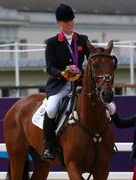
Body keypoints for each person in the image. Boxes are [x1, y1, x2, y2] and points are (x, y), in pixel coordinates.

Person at [42, 3, 90, 160]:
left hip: (80, 84)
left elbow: (93, 58)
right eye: (66, 21)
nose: (70, 23)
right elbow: (49, 68)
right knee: (51, 108)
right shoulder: (52, 43)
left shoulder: (82, 40)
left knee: (108, 105)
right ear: (59, 23)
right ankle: (48, 145)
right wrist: (63, 73)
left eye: (71, 20)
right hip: (60, 85)